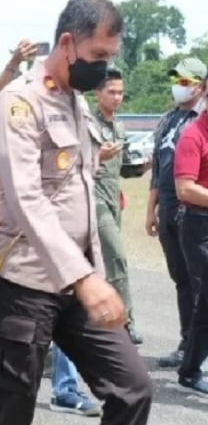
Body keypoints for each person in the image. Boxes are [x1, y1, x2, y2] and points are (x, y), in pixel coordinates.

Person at [0, 0, 153, 425]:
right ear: (68, 43)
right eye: (98, 56)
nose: (104, 68)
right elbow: (27, 199)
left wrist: (88, 272)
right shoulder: (18, 103)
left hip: (76, 283)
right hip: (25, 286)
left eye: (110, 58)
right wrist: (85, 279)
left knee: (133, 388)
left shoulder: (75, 101)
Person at [148, 57, 208, 367]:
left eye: (185, 82)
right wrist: (151, 208)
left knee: (201, 281)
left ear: (200, 86)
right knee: (182, 279)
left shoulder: (201, 122)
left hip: (195, 208)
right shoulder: (168, 119)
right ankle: (188, 344)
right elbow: (158, 167)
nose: (179, 87)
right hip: (169, 206)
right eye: (177, 81)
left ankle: (200, 352)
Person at [93, 68, 145, 345]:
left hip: (113, 200)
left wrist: (141, 166)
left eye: (120, 92)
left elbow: (122, 167)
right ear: (97, 93)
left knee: (100, 266)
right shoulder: (87, 123)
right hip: (93, 201)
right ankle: (126, 323)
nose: (117, 97)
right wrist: (95, 155)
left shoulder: (119, 127)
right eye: (111, 92)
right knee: (117, 259)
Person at [173, 72, 208, 395]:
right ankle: (191, 369)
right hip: (199, 224)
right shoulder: (193, 135)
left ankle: (191, 367)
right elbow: (185, 187)